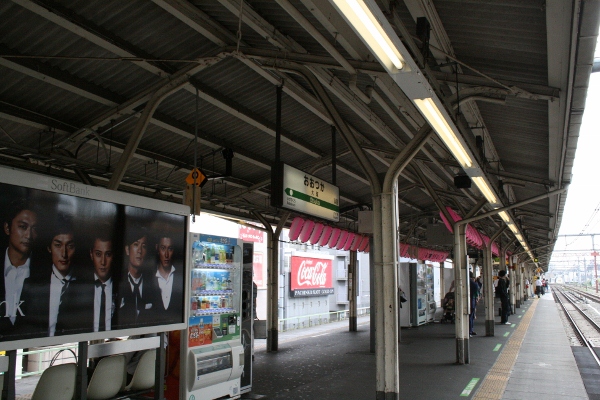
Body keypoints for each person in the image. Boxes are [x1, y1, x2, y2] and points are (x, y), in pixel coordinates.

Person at [0, 200, 39, 336]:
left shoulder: (43, 273)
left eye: (34, 229)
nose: (28, 235)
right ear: (7, 228)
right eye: (23, 227)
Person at [117, 227, 156, 327]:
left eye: (143, 246)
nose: (139, 250)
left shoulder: (153, 285)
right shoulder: (117, 282)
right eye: (135, 244)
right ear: (127, 249)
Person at [153, 235, 183, 324]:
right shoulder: (149, 277)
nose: (166, 255)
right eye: (163, 248)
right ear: (157, 248)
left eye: (170, 249)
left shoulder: (180, 276)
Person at [469, 272, 479, 337]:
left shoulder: (465, 282)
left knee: (470, 316)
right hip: (472, 300)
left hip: (469, 301)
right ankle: (470, 330)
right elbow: (477, 288)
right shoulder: (473, 283)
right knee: (471, 316)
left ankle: (470, 330)